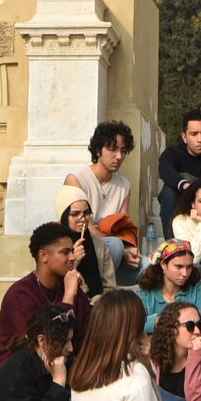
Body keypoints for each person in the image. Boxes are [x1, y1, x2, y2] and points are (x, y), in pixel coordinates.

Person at [0, 221, 87, 364]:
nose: (73, 258)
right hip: (21, 378)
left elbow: (87, 337)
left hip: (63, 374)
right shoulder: (20, 295)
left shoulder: (72, 288)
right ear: (43, 256)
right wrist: (68, 297)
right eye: (65, 252)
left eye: (72, 251)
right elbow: (49, 347)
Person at [67, 120, 140, 283]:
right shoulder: (77, 179)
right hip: (82, 253)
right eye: (112, 149)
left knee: (149, 267)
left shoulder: (124, 186)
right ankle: (98, 294)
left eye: (123, 150)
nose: (119, 156)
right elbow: (84, 229)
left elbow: (122, 226)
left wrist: (128, 249)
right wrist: (118, 243)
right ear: (98, 150)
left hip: (113, 253)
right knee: (114, 245)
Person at [134, 239, 201, 333]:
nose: (185, 273)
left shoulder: (197, 287)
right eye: (179, 266)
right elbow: (136, 325)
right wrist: (163, 320)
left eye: (189, 267)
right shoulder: (146, 290)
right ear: (163, 265)